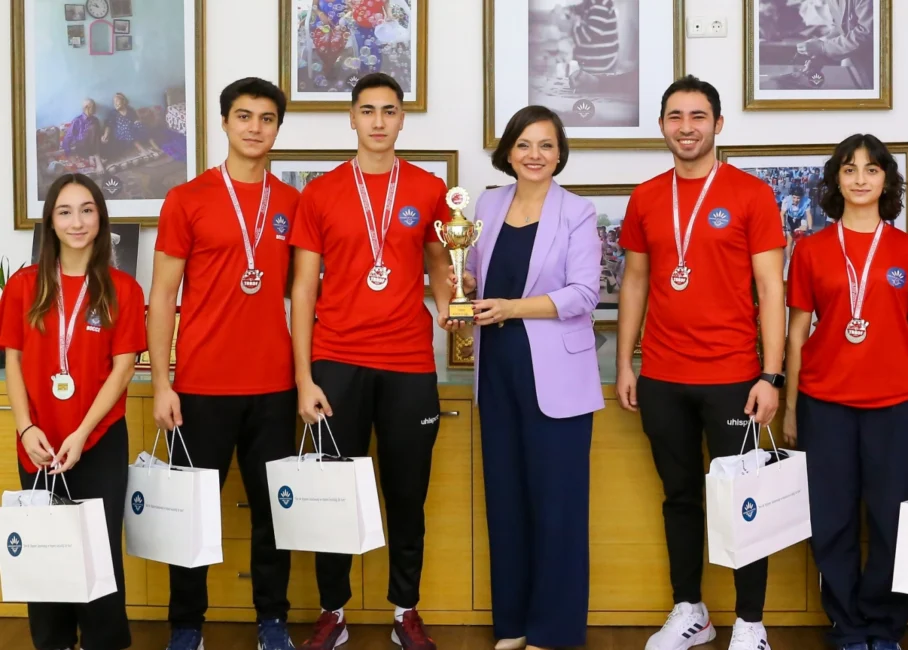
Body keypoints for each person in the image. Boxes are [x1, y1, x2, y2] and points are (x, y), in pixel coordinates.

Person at [616, 75, 787, 650]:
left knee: (745, 500)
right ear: (662, 125)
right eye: (674, 116)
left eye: (697, 116)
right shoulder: (645, 196)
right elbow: (635, 283)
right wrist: (625, 362)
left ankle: (750, 622)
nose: (686, 127)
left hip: (736, 378)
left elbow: (771, 289)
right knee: (681, 496)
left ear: (718, 124)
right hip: (663, 376)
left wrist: (771, 373)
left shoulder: (750, 194)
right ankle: (690, 609)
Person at [289, 71, 454, 650]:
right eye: (368, 111)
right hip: (336, 361)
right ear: (352, 118)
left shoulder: (429, 188)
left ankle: (405, 610)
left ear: (402, 119)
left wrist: (447, 307)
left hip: (408, 361)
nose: (379, 121)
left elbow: (438, 262)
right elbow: (303, 289)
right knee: (333, 495)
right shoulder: (322, 192)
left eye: (389, 111)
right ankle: (332, 612)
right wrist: (304, 376)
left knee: (408, 494)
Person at [150, 77, 299, 650]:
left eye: (265, 118)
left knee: (273, 518)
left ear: (277, 128)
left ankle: (273, 622)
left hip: (273, 386)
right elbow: (163, 296)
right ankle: (187, 627)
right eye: (244, 116)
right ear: (224, 122)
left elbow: (307, 293)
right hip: (200, 388)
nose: (254, 127)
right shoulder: (186, 199)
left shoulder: (291, 204)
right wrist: (163, 381)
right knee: (192, 515)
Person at [455, 105, 603, 650]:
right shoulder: (488, 204)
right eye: (524, 144)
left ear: (559, 152)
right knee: (507, 501)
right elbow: (474, 278)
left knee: (557, 506)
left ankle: (553, 630)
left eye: (545, 145)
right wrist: (463, 293)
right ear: (508, 152)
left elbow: (585, 294)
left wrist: (512, 308)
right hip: (497, 370)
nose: (534, 155)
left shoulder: (579, 212)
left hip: (557, 378)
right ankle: (512, 626)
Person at [783, 134, 908, 650]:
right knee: (832, 520)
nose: (860, 179)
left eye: (872, 170)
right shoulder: (810, 249)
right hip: (825, 405)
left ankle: (884, 624)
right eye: (849, 169)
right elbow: (797, 331)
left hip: (897, 406)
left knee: (894, 523)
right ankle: (847, 626)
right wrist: (790, 407)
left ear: (887, 181)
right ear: (836, 180)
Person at [0, 173, 146, 650]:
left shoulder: (122, 287)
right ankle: (54, 642)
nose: (77, 221)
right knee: (46, 553)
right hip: (38, 444)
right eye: (65, 211)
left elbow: (123, 368)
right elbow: (14, 362)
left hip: (98, 440)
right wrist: (25, 429)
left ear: (101, 219)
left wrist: (83, 433)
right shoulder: (23, 285)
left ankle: (103, 641)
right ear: (51, 222)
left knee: (97, 551)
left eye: (87, 210)